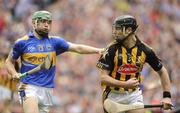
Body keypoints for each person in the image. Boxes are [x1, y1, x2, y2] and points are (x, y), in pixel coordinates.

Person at [5, 10, 103, 113]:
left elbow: (78, 48)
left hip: (47, 89)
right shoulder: (22, 42)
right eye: (43, 21)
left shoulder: (55, 42)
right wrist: (14, 73)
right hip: (28, 86)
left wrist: (97, 50)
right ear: (34, 23)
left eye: (49, 22)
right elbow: (9, 61)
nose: (47, 25)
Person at [96, 15, 173, 113]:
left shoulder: (146, 50)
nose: (114, 32)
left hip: (134, 95)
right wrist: (124, 84)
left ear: (128, 30)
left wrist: (167, 96)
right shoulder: (111, 49)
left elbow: (162, 71)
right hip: (113, 96)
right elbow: (103, 78)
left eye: (118, 29)